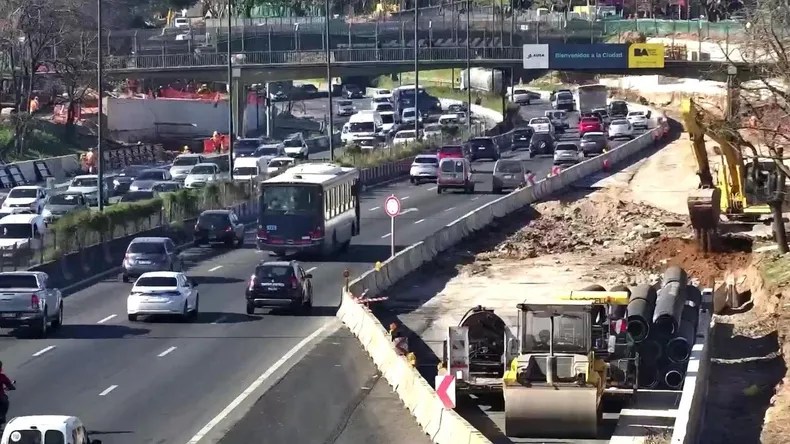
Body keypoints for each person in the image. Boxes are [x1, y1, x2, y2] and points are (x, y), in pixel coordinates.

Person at [0, 361, 16, 426]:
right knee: (5, 402)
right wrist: (10, 387)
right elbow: (11, 386)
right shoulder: (1, 376)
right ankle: (1, 417)